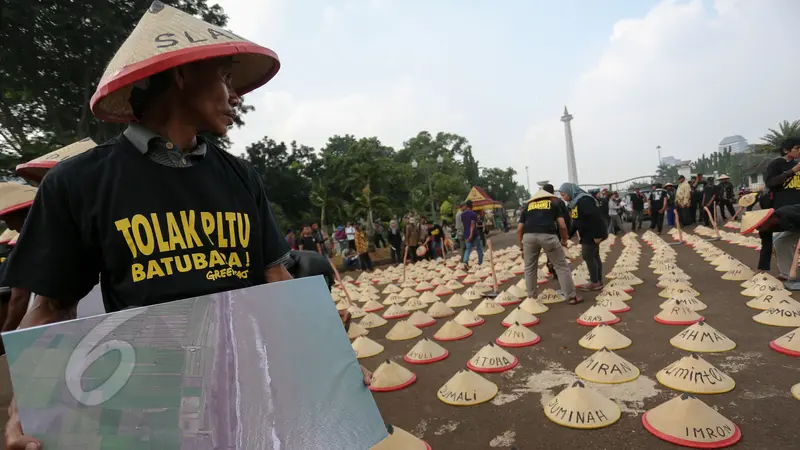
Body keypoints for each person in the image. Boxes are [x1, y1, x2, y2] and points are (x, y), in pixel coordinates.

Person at [2, 5, 370, 449]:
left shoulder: (240, 178)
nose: (236, 97)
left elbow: (277, 281)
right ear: (181, 74)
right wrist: (29, 406)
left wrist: (330, 361)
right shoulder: (78, 184)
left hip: (247, 389)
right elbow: (51, 309)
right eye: (226, 78)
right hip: (145, 402)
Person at [517, 189, 580, 304]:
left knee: (530, 268)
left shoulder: (528, 207)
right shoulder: (553, 205)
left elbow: (519, 229)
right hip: (548, 235)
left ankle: (532, 298)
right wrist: (564, 241)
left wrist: (521, 247)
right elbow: (562, 225)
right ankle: (571, 297)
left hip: (529, 236)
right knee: (561, 266)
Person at [763, 137, 800, 278]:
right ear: (786, 150)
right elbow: (771, 183)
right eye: (797, 148)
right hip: (787, 211)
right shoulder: (777, 164)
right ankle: (787, 274)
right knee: (781, 241)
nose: (799, 151)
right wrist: (792, 171)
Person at [560, 183, 607, 291]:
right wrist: (569, 236)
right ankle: (598, 281)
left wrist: (597, 235)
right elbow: (576, 222)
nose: (563, 198)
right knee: (594, 256)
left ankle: (595, 282)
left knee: (588, 256)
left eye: (563, 195)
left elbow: (595, 217)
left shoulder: (584, 200)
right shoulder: (575, 203)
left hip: (592, 233)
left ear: (569, 192)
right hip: (587, 233)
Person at [461, 200, 484, 267]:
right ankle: (480, 262)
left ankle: (465, 261)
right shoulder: (473, 214)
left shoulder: (462, 215)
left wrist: (467, 234)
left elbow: (464, 225)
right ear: (472, 206)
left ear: (466, 206)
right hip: (474, 234)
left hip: (466, 234)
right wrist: (471, 234)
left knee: (468, 249)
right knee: (478, 248)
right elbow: (473, 224)